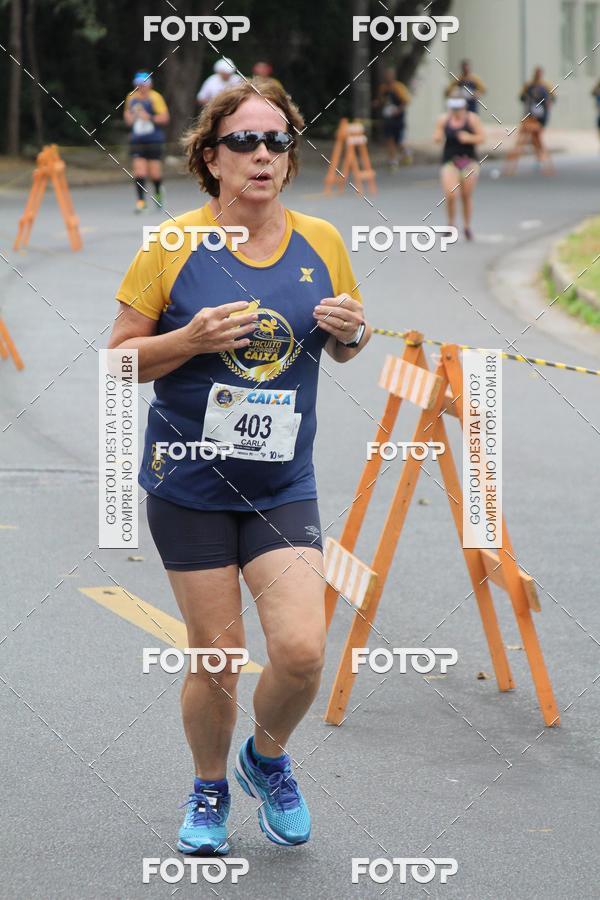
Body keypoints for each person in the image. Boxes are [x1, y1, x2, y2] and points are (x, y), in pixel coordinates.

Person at [108, 79, 371, 855]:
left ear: (290, 157)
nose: (263, 154)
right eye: (245, 141)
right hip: (189, 483)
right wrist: (187, 341)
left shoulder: (322, 242)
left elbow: (346, 342)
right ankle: (209, 788)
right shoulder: (171, 246)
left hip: (280, 483)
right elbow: (119, 362)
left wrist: (354, 333)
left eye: (277, 140)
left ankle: (267, 759)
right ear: (211, 158)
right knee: (219, 658)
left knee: (301, 651)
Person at [434, 92, 485, 240]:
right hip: (450, 161)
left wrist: (469, 138)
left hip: (468, 161)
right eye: (453, 108)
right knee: (450, 194)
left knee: (466, 195)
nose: (456, 111)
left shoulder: (472, 119)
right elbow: (437, 136)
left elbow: (482, 137)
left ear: (464, 107)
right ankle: (450, 224)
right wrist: (438, 137)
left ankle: (467, 226)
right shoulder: (444, 119)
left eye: (459, 108)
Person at [124, 72, 170, 213]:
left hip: (154, 140)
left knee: (155, 173)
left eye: (143, 84)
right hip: (137, 140)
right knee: (139, 171)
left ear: (149, 85)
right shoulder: (131, 97)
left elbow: (165, 118)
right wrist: (132, 117)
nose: (141, 87)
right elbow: (127, 118)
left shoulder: (155, 97)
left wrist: (148, 117)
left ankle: (158, 194)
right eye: (138, 84)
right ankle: (141, 202)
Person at [505, 67, 555, 175]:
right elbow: (522, 98)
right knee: (528, 140)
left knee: (537, 140)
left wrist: (545, 111)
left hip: (540, 119)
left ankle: (541, 161)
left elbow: (552, 99)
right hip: (529, 117)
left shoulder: (546, 86)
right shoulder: (529, 85)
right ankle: (538, 161)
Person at [373, 67, 412, 168]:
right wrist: (377, 103)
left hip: (398, 118)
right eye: (387, 75)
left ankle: (406, 151)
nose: (388, 77)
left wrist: (397, 110)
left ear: (394, 76)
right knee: (389, 139)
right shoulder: (383, 88)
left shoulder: (398, 87)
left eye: (390, 75)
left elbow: (406, 101)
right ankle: (392, 160)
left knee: (398, 141)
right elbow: (382, 100)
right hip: (388, 118)